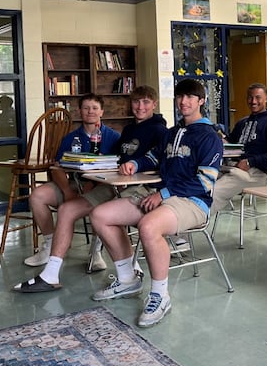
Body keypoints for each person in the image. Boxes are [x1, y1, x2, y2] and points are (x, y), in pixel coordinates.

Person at [88, 78, 223, 328]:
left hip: (192, 202)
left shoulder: (209, 136)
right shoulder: (173, 133)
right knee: (100, 215)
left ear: (201, 101)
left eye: (190, 97)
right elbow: (152, 156)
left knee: (148, 227)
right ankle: (128, 279)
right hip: (161, 194)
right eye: (180, 97)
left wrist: (163, 195)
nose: (184, 102)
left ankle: (160, 295)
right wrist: (135, 164)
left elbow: (205, 182)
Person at [12, 86, 167, 293]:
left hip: (132, 187)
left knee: (101, 214)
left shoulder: (160, 131)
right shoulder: (128, 130)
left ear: (154, 104)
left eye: (146, 102)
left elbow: (156, 162)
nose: (140, 107)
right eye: (136, 102)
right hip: (109, 182)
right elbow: (114, 161)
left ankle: (128, 270)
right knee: (66, 209)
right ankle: (50, 274)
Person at [20, 93, 120, 268]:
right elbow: (57, 168)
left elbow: (118, 169)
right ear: (79, 111)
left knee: (100, 206)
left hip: (102, 185)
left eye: (95, 108)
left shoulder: (114, 137)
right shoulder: (70, 138)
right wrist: (67, 191)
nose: (90, 112)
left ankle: (95, 251)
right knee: (37, 196)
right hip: (74, 184)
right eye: (86, 108)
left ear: (102, 112)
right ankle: (50, 245)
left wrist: (93, 184)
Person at [211, 82, 267, 214]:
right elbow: (231, 142)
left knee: (213, 191)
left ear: (266, 98)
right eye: (250, 97)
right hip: (232, 168)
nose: (253, 101)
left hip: (255, 174)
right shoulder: (242, 122)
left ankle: (195, 220)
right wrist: (218, 138)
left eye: (258, 97)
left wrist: (251, 162)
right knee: (198, 183)